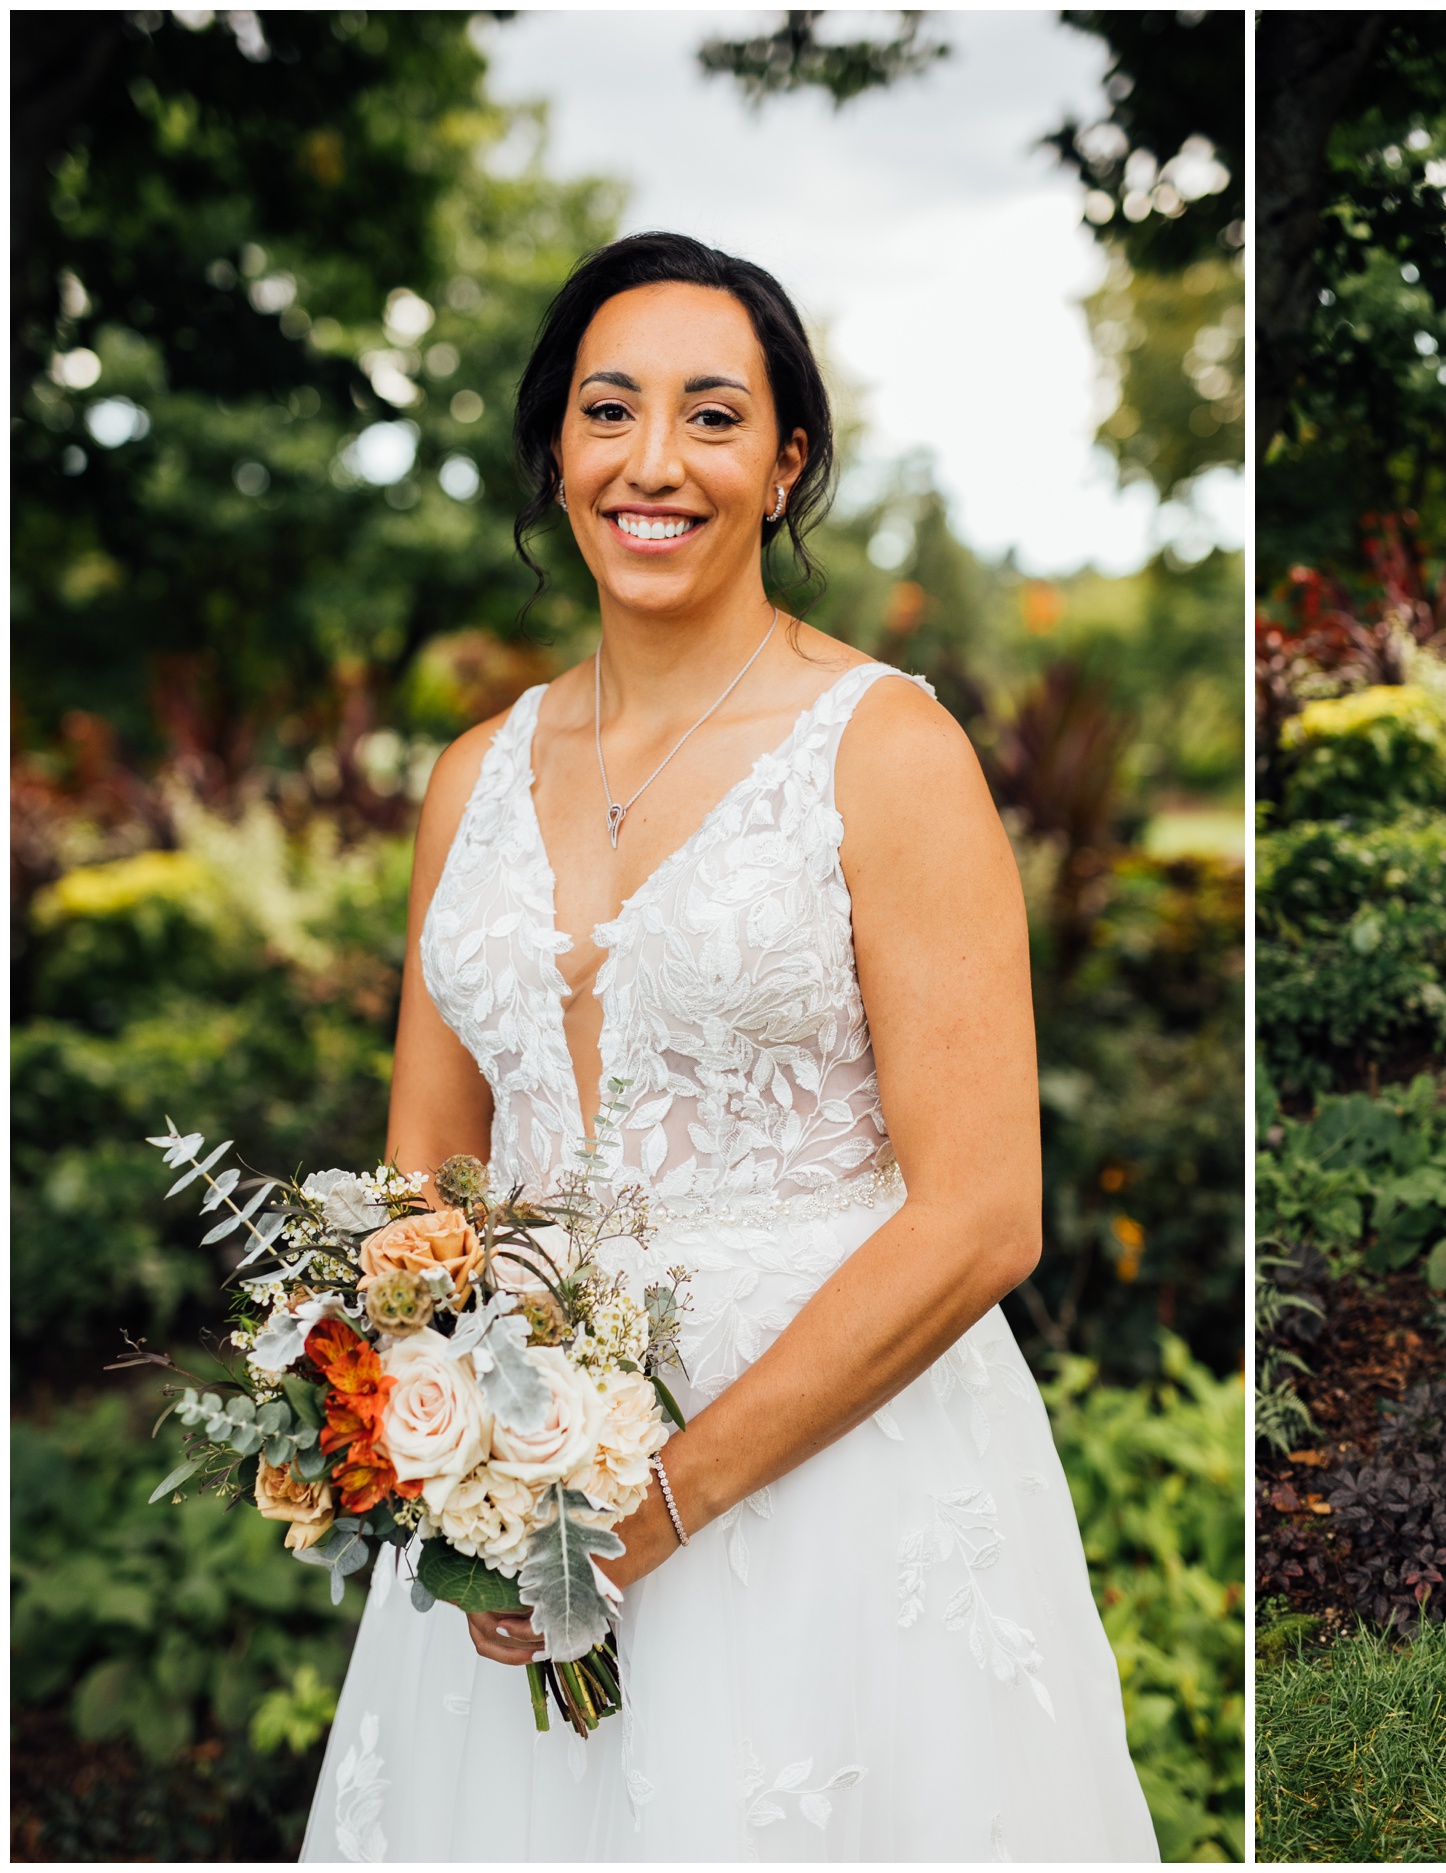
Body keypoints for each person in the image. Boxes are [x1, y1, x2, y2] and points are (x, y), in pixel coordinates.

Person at [299, 233, 1158, 1861]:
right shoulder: (469, 777)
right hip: (521, 1489)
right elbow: (422, 1187)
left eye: (712, 416)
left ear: (785, 465)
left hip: (829, 1498)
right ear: (555, 450)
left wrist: (660, 1502)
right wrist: (449, 1457)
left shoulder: (888, 751)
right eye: (608, 410)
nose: (654, 461)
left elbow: (984, 1215)